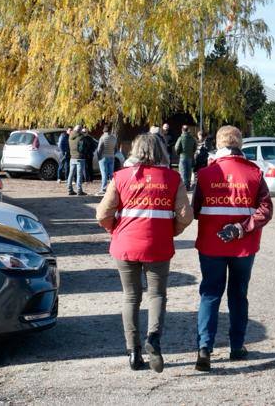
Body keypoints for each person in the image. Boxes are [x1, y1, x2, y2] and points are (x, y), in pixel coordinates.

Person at [96, 133, 192, 372]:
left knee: (131, 297)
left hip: (125, 245)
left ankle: (133, 352)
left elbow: (102, 215)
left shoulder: (120, 177)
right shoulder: (172, 178)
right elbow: (186, 216)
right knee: (157, 295)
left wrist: (114, 230)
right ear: (161, 151)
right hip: (158, 245)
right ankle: (154, 340)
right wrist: (172, 231)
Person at [192, 125, 273, 371]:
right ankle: (237, 347)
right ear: (240, 144)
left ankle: (204, 348)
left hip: (211, 244)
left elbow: (196, 210)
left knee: (210, 294)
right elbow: (266, 210)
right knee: (238, 295)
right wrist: (243, 226)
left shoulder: (206, 174)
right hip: (244, 245)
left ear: (218, 144)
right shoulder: (254, 173)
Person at [96, 125, 118, 196]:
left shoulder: (102, 138)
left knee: (104, 173)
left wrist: (99, 157)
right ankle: (114, 188)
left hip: (103, 157)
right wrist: (112, 154)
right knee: (111, 174)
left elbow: (99, 149)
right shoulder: (114, 138)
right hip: (111, 157)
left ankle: (103, 188)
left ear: (103, 130)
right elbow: (116, 149)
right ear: (110, 130)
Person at [173, 124, 197, 190]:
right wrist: (192, 152)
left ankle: (184, 187)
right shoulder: (192, 138)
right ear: (188, 130)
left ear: (182, 130)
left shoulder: (180, 138)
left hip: (182, 156)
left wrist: (178, 153)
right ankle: (188, 185)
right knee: (189, 171)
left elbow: (176, 148)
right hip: (190, 157)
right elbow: (195, 147)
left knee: (183, 172)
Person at [67, 125, 89, 196]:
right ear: (80, 130)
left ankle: (69, 189)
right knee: (79, 175)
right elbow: (83, 147)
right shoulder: (81, 137)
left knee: (71, 174)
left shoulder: (70, 136)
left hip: (72, 157)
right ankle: (79, 191)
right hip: (80, 157)